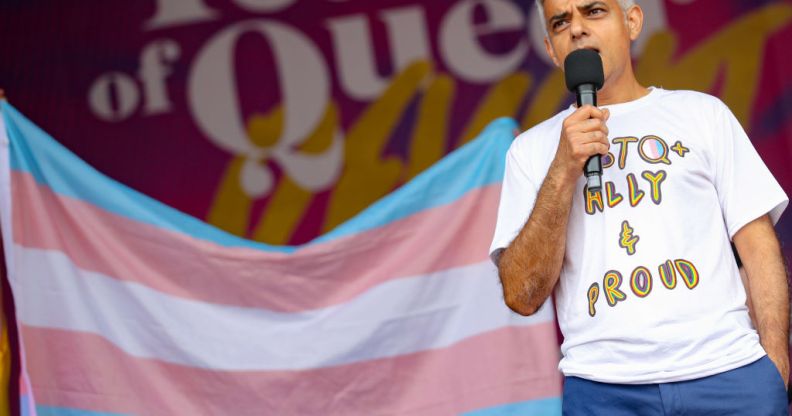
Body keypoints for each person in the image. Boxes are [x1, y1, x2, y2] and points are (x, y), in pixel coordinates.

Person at [488, 0, 790, 414]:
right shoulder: (531, 151)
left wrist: (775, 366)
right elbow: (522, 295)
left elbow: (759, 247)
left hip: (728, 372)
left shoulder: (701, 114)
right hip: (604, 389)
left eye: (593, 11)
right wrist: (562, 170)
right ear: (550, 49)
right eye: (561, 22)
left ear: (632, 22)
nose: (576, 29)